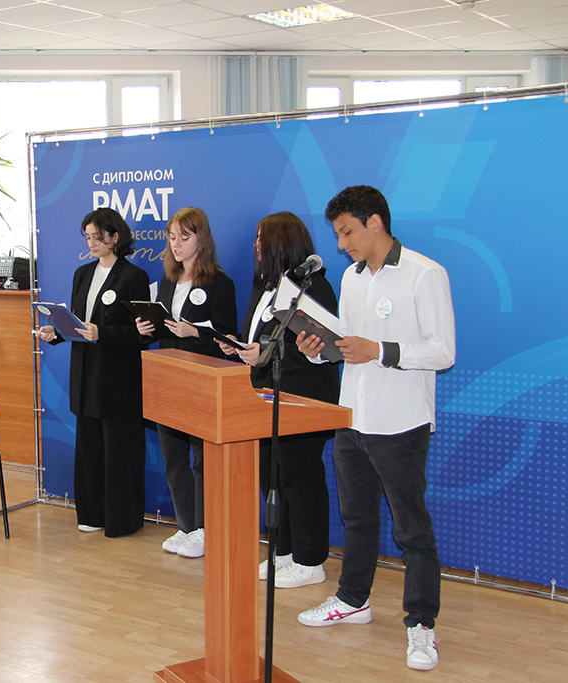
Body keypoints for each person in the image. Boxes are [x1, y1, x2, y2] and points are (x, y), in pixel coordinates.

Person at [295, 186, 455, 672]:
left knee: (412, 529)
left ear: (375, 223)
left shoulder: (425, 273)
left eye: (347, 232)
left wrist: (380, 351)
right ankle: (353, 599)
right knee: (357, 518)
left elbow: (443, 351)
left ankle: (421, 624)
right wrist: (317, 350)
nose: (342, 244)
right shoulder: (351, 277)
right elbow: (347, 345)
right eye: (338, 235)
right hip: (353, 417)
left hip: (401, 422)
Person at [216, 212, 339, 588]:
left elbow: (320, 346)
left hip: (303, 396)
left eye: (261, 239)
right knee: (272, 473)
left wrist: (264, 352)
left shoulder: (314, 287)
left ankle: (310, 559)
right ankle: (283, 550)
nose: (255, 246)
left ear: (282, 242)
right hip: (263, 394)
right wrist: (239, 346)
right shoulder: (264, 284)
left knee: (300, 475)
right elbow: (257, 335)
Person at [38, 208, 150, 537]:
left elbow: (140, 333)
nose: (92, 243)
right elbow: (77, 324)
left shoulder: (134, 276)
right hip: (85, 374)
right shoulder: (82, 273)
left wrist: (102, 332)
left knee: (119, 453)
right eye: (87, 237)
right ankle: (91, 513)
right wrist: (55, 333)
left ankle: (122, 520)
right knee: (88, 450)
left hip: (117, 377)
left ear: (115, 236)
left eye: (98, 237)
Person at [136, 207, 236, 559]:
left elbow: (229, 338)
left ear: (201, 239)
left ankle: (206, 528)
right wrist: (145, 328)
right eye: (171, 237)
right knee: (173, 457)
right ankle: (187, 525)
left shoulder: (220, 283)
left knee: (201, 459)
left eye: (184, 237)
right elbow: (159, 329)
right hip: (169, 378)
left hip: (202, 379)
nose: (176, 244)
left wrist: (194, 332)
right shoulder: (167, 280)